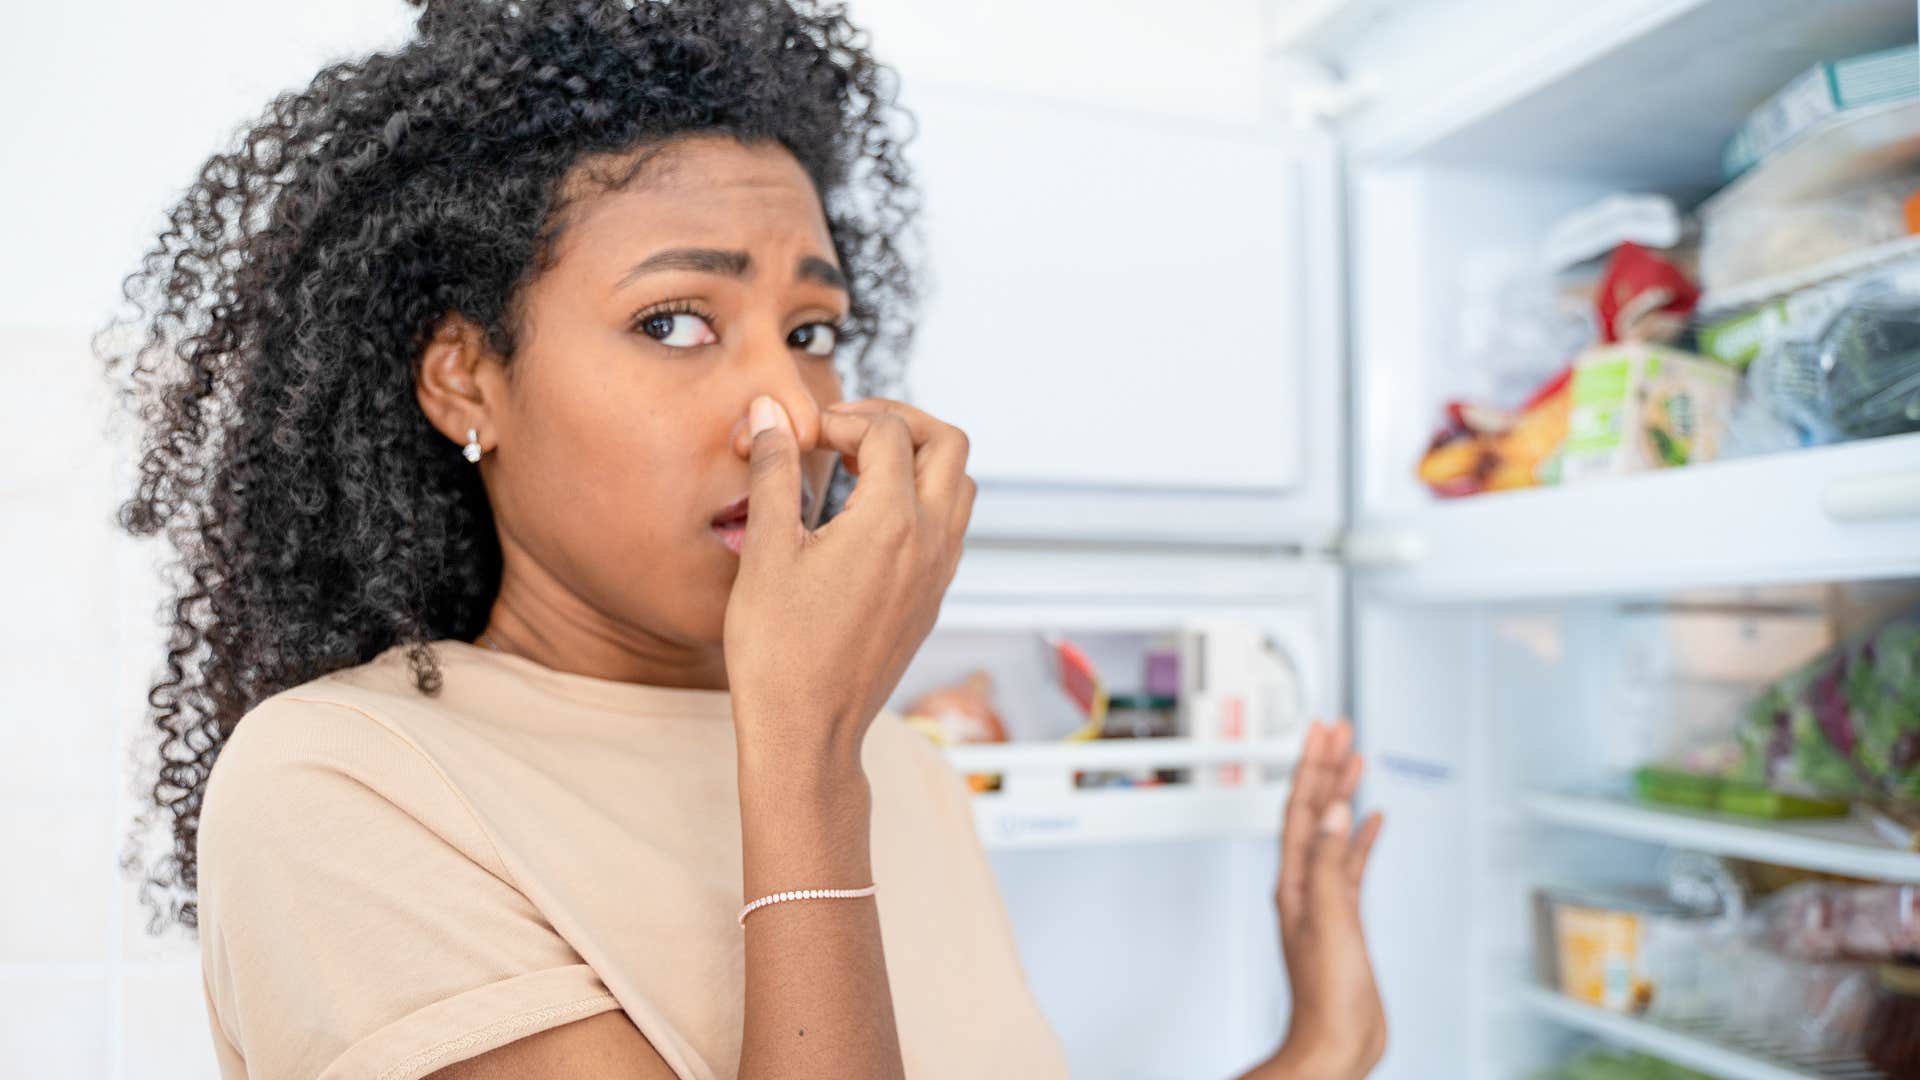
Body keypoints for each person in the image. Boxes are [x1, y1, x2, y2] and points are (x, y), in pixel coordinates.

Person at [104, 1, 1387, 1077]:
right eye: (674, 321)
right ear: (464, 378)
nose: (786, 409)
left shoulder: (904, 769)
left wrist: (1320, 1048)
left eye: (813, 332)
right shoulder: (346, 781)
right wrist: (806, 756)